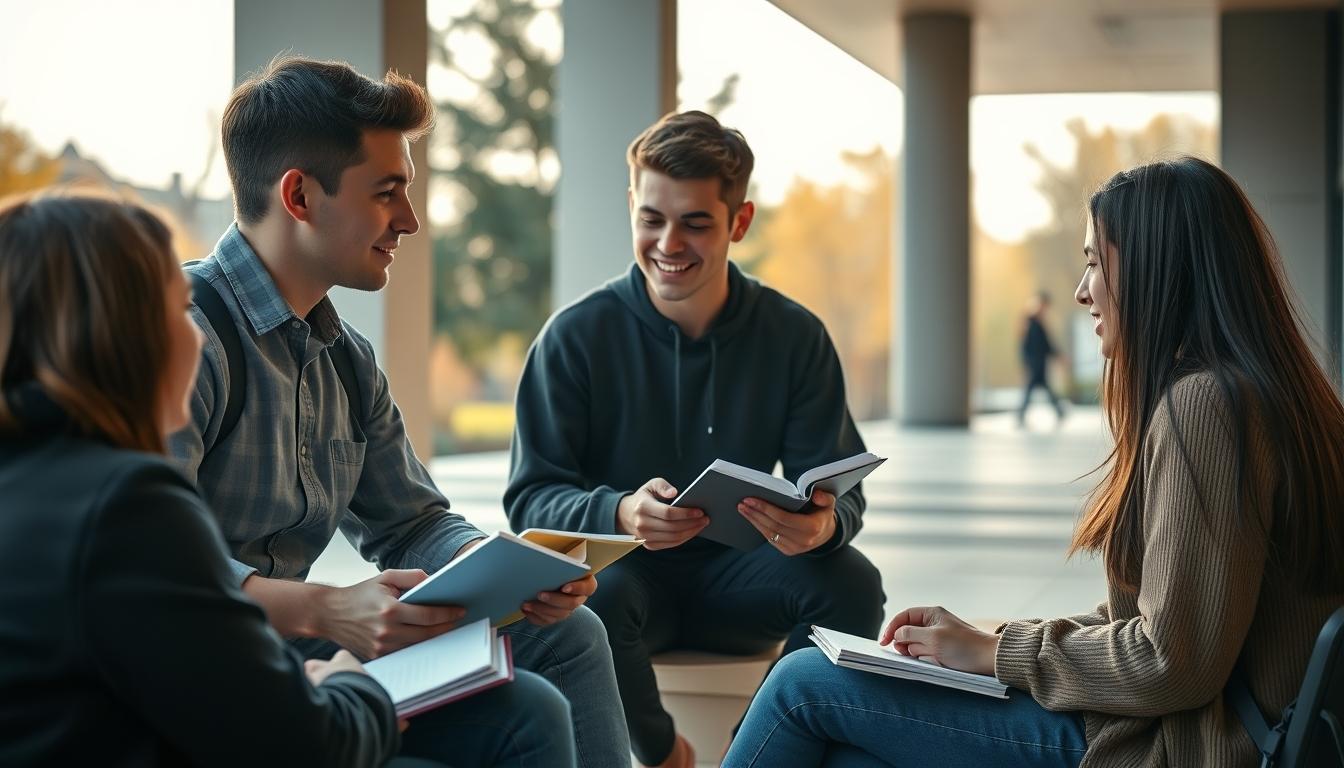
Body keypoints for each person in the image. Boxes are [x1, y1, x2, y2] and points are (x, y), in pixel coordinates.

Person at [722, 156, 1344, 767]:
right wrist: (988, 643)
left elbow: (1169, 663)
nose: (1082, 291)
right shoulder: (1269, 394)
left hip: (1192, 744)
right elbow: (1161, 620)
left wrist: (1000, 656)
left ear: (1159, 269)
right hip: (1204, 729)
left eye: (1096, 262)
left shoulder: (1206, 406)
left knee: (800, 685)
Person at [0, 192, 576, 767]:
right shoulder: (127, 502)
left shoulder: (41, 477)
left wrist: (490, 563)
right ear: (118, 335)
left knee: (534, 692)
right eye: (177, 310)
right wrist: (351, 680)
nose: (195, 334)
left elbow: (413, 519)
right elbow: (309, 743)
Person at [164, 56, 626, 766]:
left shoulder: (344, 358)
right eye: (388, 193)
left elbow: (411, 524)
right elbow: (152, 572)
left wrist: (500, 570)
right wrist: (328, 609)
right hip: (194, 665)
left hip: (292, 648)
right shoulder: (181, 338)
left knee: (567, 636)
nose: (410, 221)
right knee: (518, 720)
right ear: (299, 197)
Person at [505, 110, 886, 768]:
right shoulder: (573, 338)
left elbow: (836, 489)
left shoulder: (794, 337)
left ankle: (757, 746)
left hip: (743, 580)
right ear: (631, 205)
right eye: (651, 218)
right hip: (626, 583)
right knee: (596, 595)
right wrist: (619, 511)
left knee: (852, 583)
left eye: (696, 222)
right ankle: (661, 753)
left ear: (739, 222)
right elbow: (531, 499)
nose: (668, 242)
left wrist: (821, 529)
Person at [1017, 291, 1066, 427]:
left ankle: (1058, 410)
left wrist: (1057, 355)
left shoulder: (1037, 322)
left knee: (1040, 386)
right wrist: (1026, 362)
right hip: (1034, 363)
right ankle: (1021, 414)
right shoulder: (1031, 323)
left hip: (1038, 362)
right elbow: (1028, 345)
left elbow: (1046, 344)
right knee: (1034, 387)